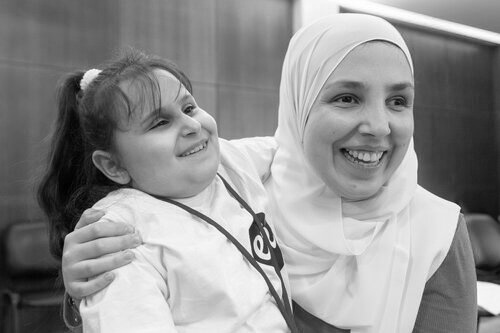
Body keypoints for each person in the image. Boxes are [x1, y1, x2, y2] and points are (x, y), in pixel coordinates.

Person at [57, 14, 477, 332]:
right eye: (347, 97)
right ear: (297, 107)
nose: (380, 126)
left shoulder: (436, 232)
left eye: (399, 101)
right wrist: (85, 281)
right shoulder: (256, 186)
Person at [37, 50, 299, 332]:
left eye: (189, 108)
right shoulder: (120, 237)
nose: (192, 125)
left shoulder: (229, 160)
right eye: (160, 123)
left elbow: (292, 146)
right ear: (113, 165)